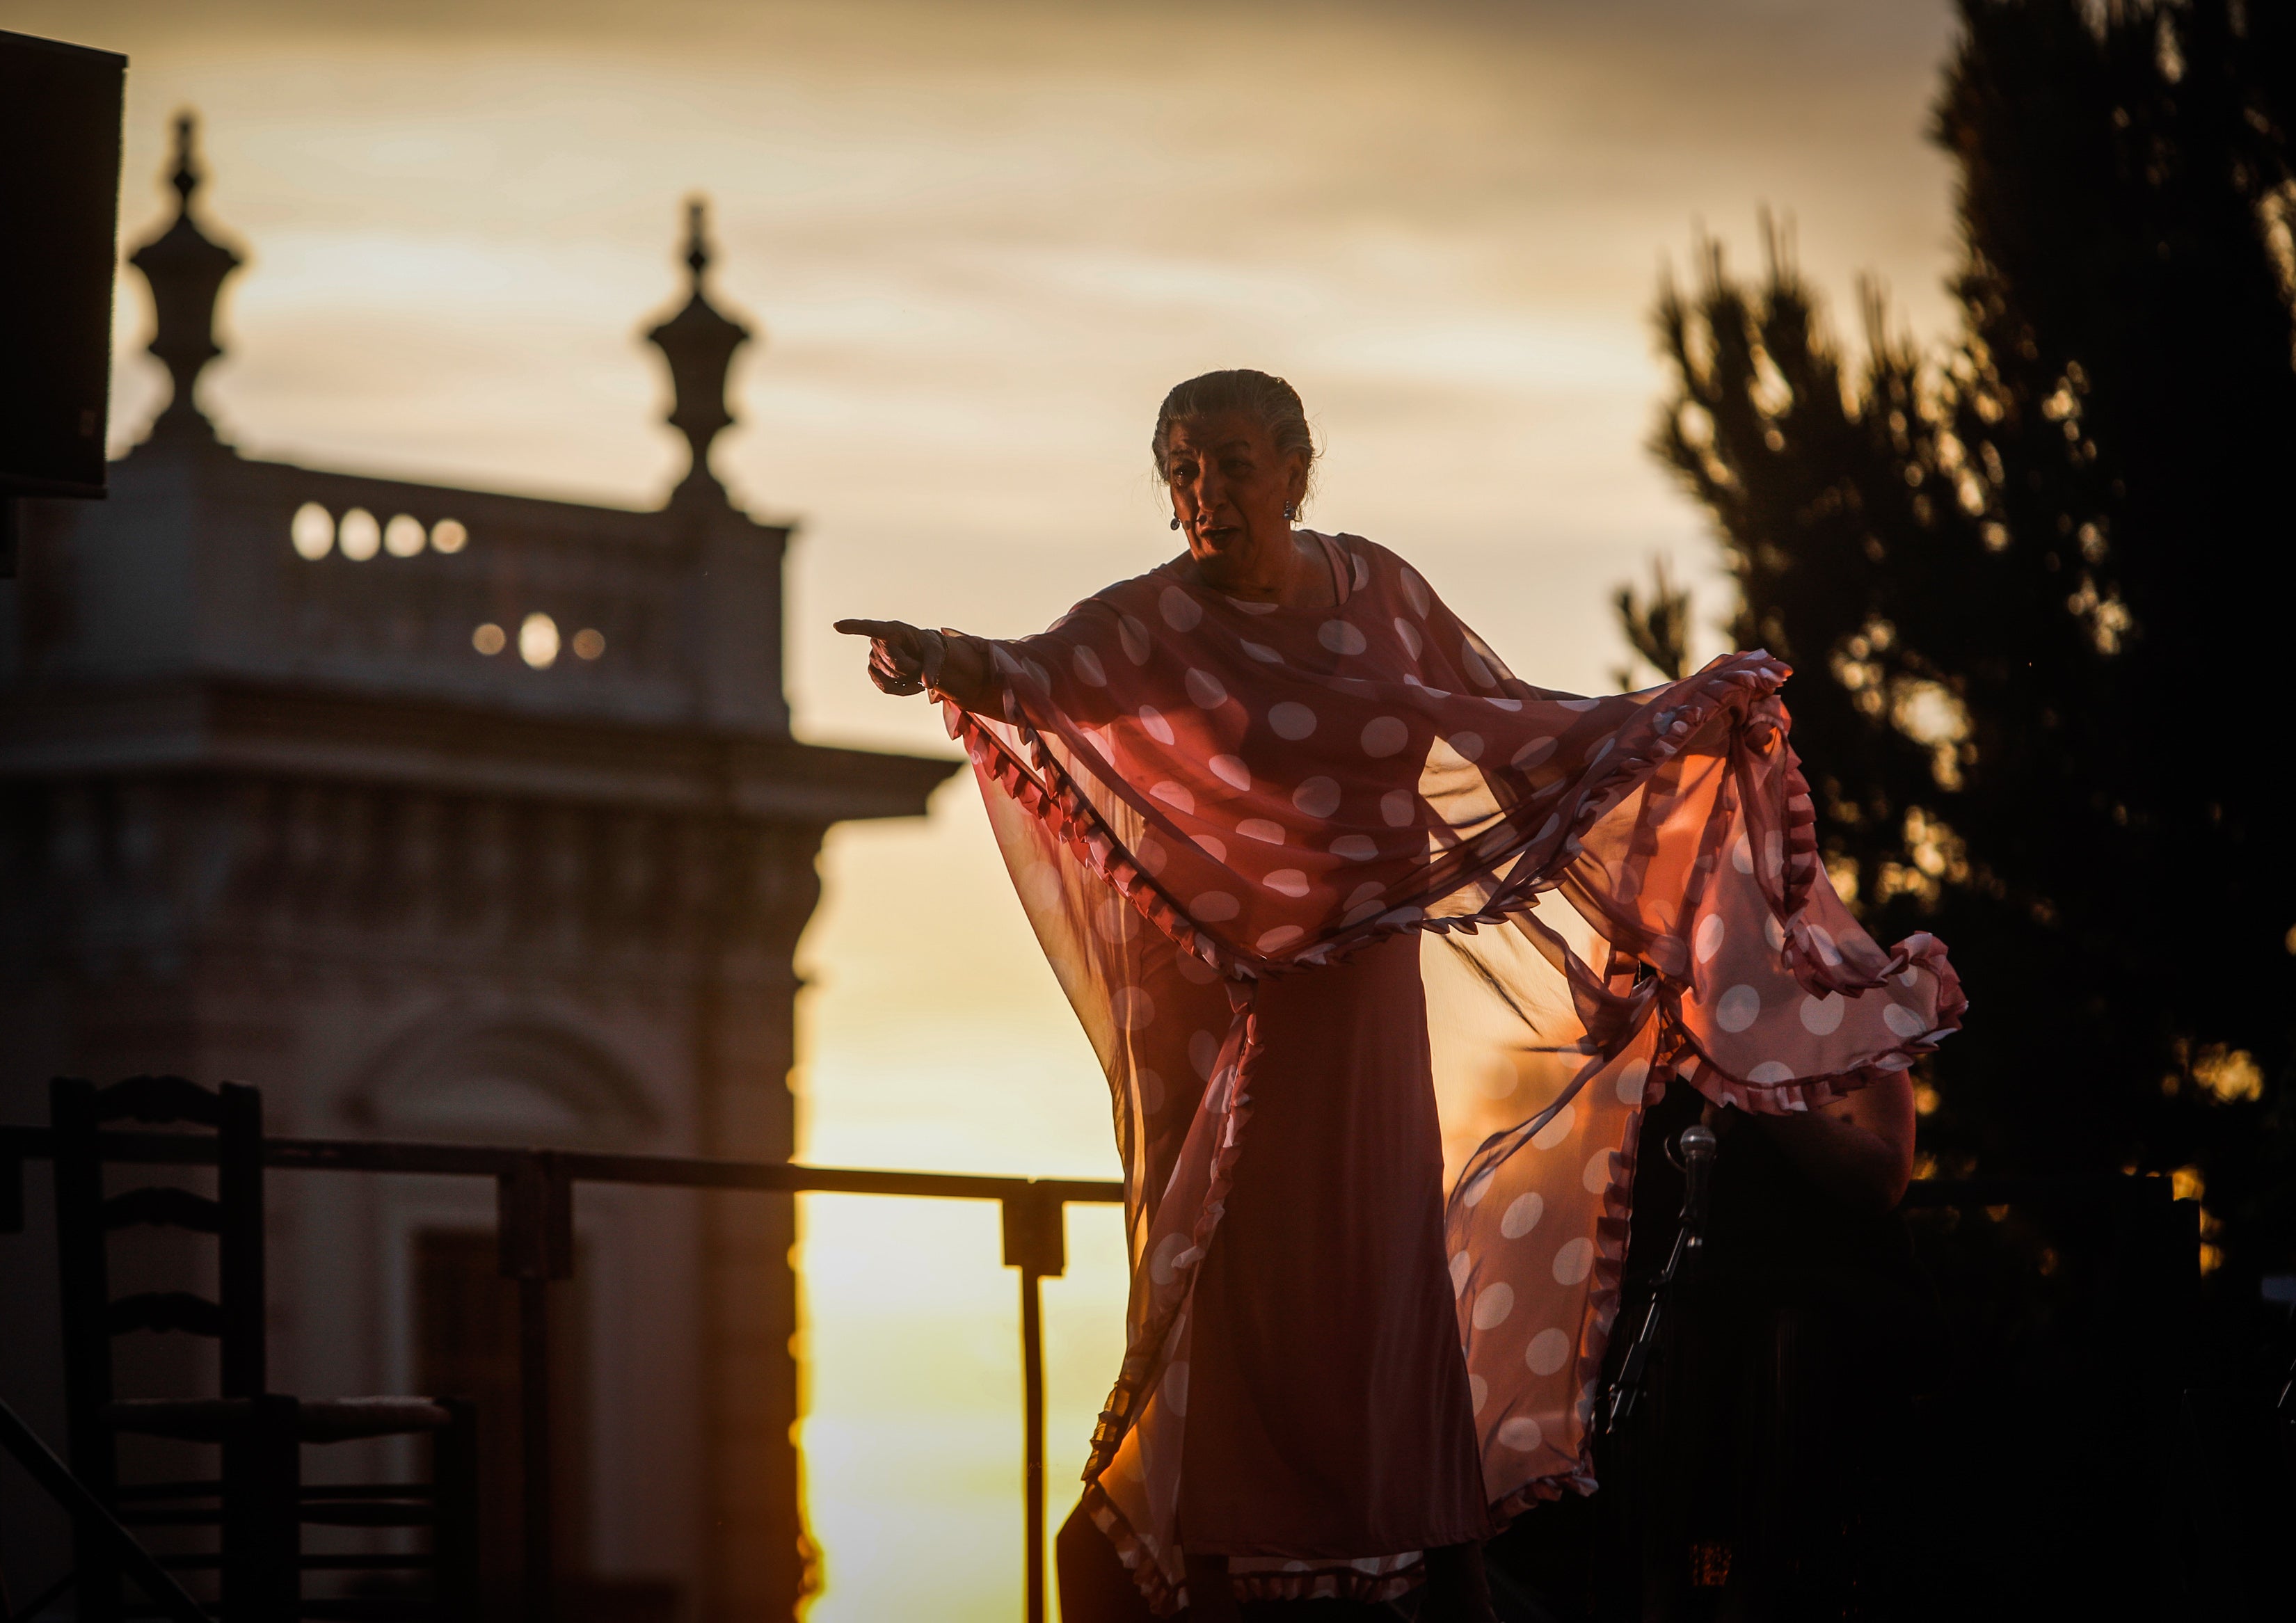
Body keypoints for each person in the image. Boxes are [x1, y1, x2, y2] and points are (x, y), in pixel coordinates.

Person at [838, 369, 1961, 1621]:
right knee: (1240, 1277)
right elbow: (1038, 675)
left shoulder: (1377, 592)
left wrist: (1652, 735)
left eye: (1234, 462)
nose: (1207, 490)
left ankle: (1447, 1566)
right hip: (1245, 1003)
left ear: (1298, 470)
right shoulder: (1150, 621)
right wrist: (931, 654)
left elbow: (1494, 720)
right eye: (1184, 467)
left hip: (1368, 989)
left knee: (1389, 1273)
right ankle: (1214, 1563)